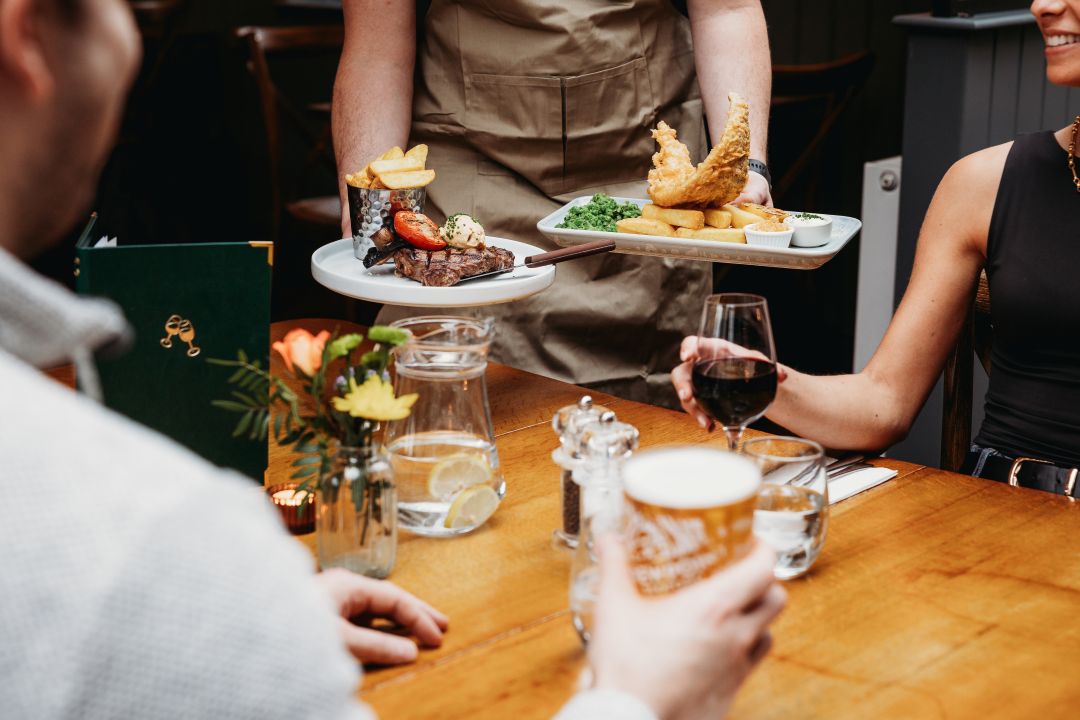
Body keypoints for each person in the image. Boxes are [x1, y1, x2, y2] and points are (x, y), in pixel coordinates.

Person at [0, 1, 784, 718]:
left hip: (640, 209)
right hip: (462, 202)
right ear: (25, 35)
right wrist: (372, 234)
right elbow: (375, 47)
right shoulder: (159, 533)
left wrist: (741, 170)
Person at [674, 0, 1080, 497]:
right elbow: (883, 403)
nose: (1044, 5)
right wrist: (765, 381)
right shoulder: (983, 184)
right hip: (995, 508)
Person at [333, 0, 773, 407]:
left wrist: (746, 165)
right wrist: (368, 212)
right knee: (451, 406)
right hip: (470, 185)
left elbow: (726, 8)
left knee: (649, 424)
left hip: (642, 182)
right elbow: (376, 47)